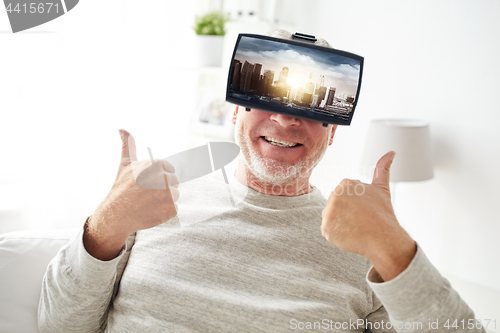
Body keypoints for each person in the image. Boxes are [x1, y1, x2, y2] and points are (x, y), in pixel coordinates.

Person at [38, 31, 484, 332]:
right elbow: (56, 324)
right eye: (268, 99)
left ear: (332, 130)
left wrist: (394, 251)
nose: (287, 117)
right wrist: (106, 225)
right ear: (236, 110)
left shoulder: (366, 251)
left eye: (310, 107)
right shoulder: (149, 206)